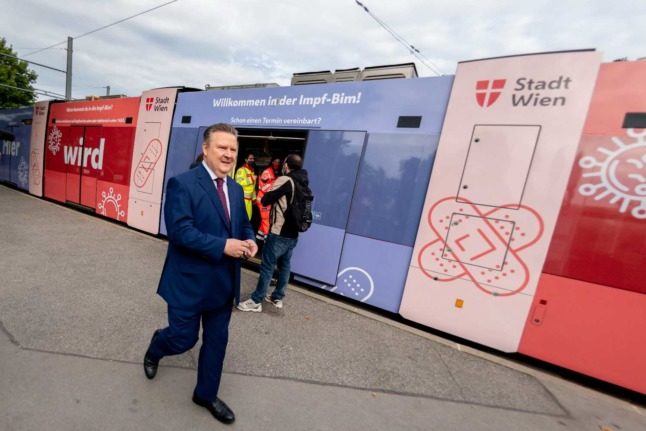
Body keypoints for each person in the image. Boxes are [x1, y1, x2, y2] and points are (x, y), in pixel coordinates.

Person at [143, 123, 257, 425]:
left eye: (233, 149)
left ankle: (205, 395)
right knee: (183, 339)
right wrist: (224, 246)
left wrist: (250, 240)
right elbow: (180, 233)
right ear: (206, 149)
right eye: (222, 147)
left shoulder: (235, 188)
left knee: (217, 343)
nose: (229, 154)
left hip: (223, 284)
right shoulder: (183, 183)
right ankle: (156, 347)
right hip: (188, 283)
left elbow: (243, 224)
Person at [237, 154, 309, 312]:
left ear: (286, 165)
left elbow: (266, 199)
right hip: (293, 234)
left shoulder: (285, 180)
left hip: (279, 231)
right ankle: (277, 297)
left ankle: (256, 301)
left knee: (267, 265)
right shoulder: (303, 183)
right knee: (285, 265)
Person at [255, 157, 281, 241]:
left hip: (267, 199)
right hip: (263, 199)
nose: (277, 164)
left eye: (278, 162)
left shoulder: (275, 172)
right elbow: (262, 187)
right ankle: (267, 240)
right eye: (275, 161)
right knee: (266, 220)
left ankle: (258, 240)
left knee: (264, 220)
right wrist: (274, 187)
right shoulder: (267, 172)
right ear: (272, 162)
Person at [234, 152, 257, 219]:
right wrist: (251, 179)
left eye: (253, 159)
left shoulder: (252, 171)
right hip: (242, 200)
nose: (252, 160)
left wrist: (254, 198)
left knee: (248, 218)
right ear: (246, 160)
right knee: (242, 219)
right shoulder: (241, 170)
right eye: (250, 158)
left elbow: (253, 187)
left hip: (249, 201)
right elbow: (238, 183)